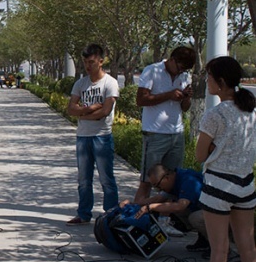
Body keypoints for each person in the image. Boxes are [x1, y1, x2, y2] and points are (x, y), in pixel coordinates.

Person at [193, 57, 256, 262]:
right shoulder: (251, 111)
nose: (205, 81)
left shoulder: (215, 114)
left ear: (220, 82)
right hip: (246, 185)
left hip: (219, 185)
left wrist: (212, 151)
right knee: (247, 247)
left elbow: (198, 155)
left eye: (208, 77)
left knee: (219, 249)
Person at [133, 46, 196, 206]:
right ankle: (136, 215)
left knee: (172, 181)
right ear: (172, 59)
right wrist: (169, 95)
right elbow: (141, 100)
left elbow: (184, 107)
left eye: (184, 70)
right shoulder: (152, 71)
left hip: (177, 133)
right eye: (180, 67)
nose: (180, 72)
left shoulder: (185, 76)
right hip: (155, 133)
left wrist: (186, 97)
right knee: (148, 179)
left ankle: (164, 219)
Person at [66, 44, 120, 225]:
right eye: (85, 63)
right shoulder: (81, 83)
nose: (88, 66)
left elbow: (105, 112)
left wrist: (83, 113)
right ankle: (83, 214)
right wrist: (89, 109)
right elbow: (70, 109)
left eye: (91, 62)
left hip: (102, 137)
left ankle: (111, 214)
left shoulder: (110, 83)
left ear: (101, 61)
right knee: (83, 179)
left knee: (106, 179)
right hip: (83, 137)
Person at [137, 164, 207, 251]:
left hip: (219, 213)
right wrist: (133, 204)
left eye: (158, 185)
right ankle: (204, 240)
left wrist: (152, 207)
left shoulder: (188, 180)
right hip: (205, 209)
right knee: (172, 207)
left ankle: (221, 246)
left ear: (166, 177)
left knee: (194, 218)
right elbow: (157, 199)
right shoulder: (174, 181)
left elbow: (180, 206)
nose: (158, 189)